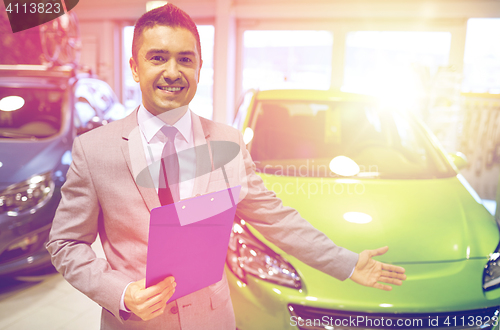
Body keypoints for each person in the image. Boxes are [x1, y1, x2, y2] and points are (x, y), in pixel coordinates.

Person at [46, 3, 406, 330]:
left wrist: (345, 262)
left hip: (213, 320)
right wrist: (121, 293)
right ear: (135, 67)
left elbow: (276, 218)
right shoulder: (94, 150)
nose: (173, 71)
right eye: (158, 58)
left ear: (200, 69)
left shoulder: (229, 143)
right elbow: (65, 243)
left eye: (185, 59)